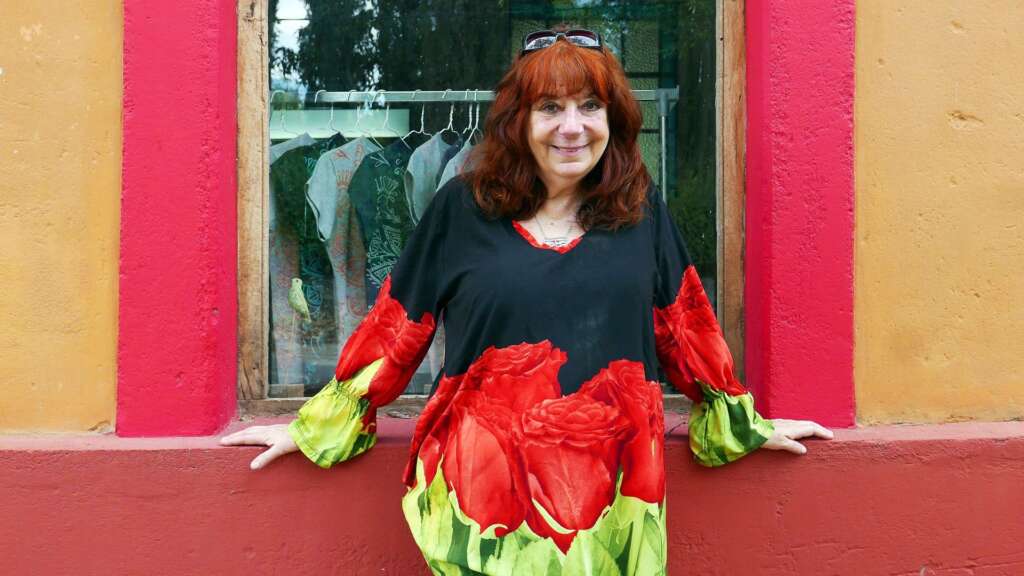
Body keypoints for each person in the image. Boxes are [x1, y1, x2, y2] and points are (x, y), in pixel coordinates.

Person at [222, 27, 834, 575]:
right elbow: (396, 329)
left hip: (613, 517)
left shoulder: (641, 213)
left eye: (590, 106)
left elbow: (685, 328)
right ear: (519, 120)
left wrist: (741, 420)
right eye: (550, 108)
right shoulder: (460, 210)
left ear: (614, 119)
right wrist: (318, 426)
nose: (573, 127)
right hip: (486, 520)